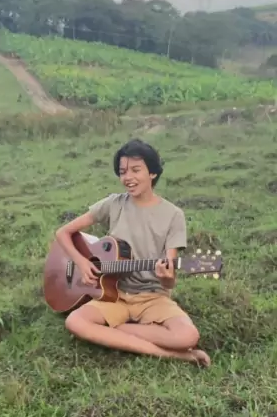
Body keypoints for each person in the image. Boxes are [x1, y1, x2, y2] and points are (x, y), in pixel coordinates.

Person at [55, 139, 210, 367]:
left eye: (136, 170)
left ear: (153, 173)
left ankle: (113, 330)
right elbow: (63, 232)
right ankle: (172, 355)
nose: (128, 177)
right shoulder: (113, 204)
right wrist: (81, 262)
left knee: (187, 337)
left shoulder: (173, 215)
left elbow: (169, 280)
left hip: (152, 297)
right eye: (122, 172)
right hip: (113, 294)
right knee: (74, 321)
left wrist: (167, 277)